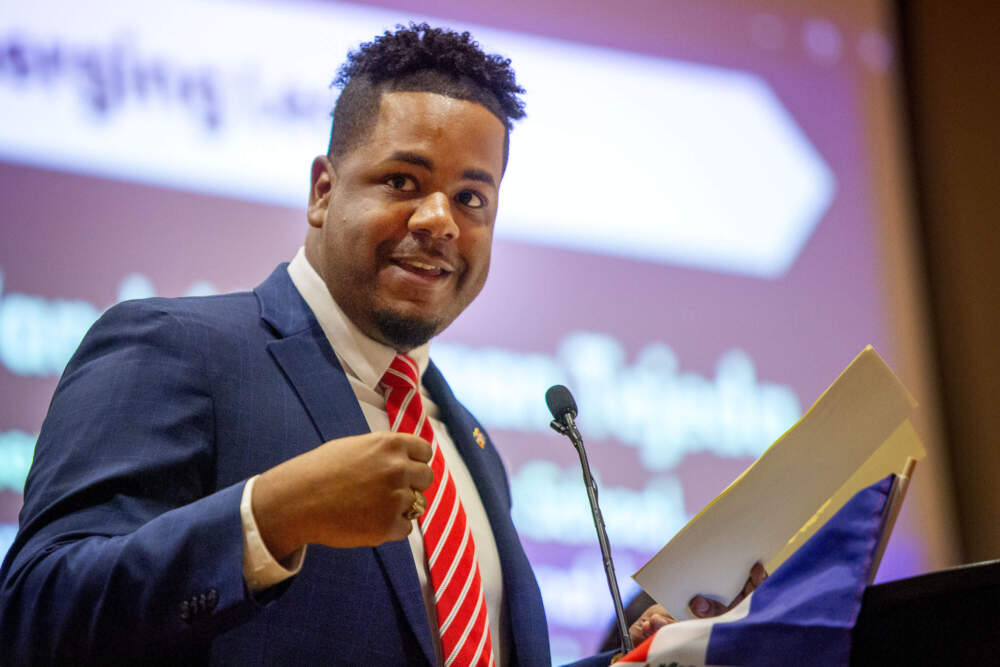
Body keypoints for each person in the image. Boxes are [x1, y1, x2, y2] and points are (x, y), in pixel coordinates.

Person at [0, 24, 669, 666]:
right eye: (403, 181)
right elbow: (33, 614)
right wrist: (271, 514)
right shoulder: (179, 348)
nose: (439, 221)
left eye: (471, 198)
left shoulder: (469, 444)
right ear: (324, 190)